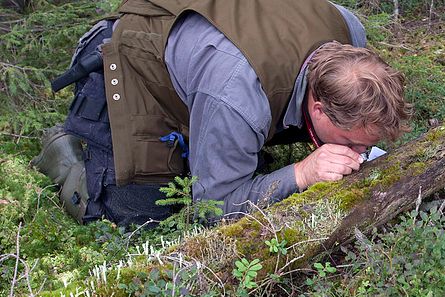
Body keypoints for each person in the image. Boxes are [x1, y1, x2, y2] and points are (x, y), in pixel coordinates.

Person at [32, 0, 411, 227]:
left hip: (205, 58)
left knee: (231, 143)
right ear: (318, 107)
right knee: (138, 218)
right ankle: (65, 157)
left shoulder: (349, 31)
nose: (360, 154)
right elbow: (211, 210)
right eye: (353, 144)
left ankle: (210, 144)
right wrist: (301, 173)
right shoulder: (237, 96)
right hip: (138, 62)